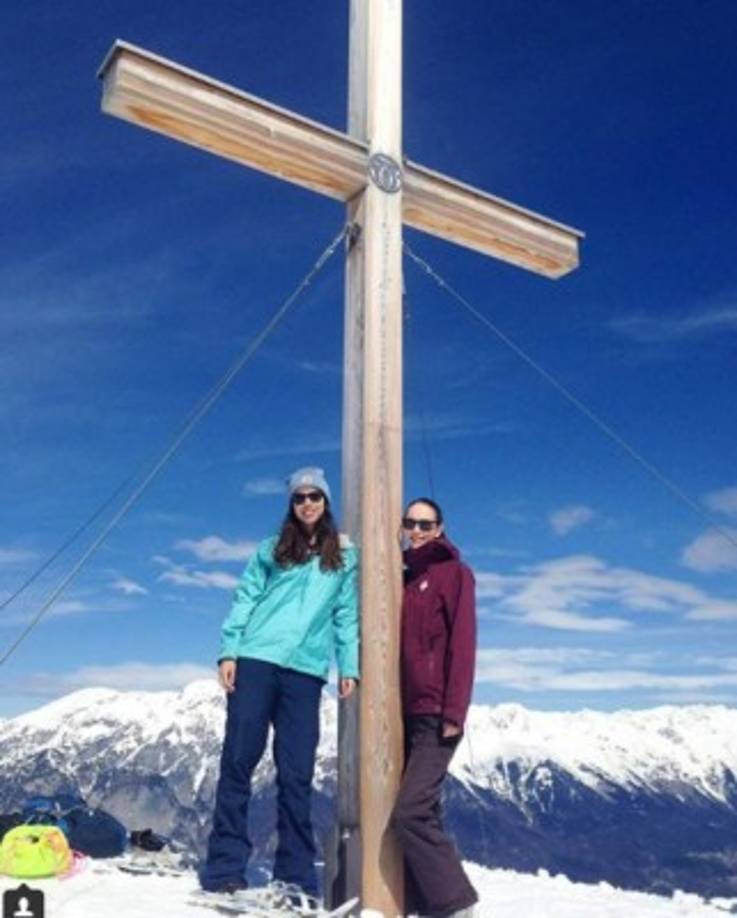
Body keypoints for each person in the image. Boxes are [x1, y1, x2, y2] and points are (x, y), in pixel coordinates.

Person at [200, 467, 359, 899]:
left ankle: (295, 877)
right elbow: (245, 597)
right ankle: (224, 869)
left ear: (326, 503)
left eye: (315, 496)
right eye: (299, 497)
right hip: (256, 659)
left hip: (306, 672)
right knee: (238, 760)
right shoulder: (271, 550)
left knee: (296, 773)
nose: (307, 503)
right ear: (291, 505)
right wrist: (229, 650)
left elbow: (345, 614)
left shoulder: (344, 556)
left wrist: (349, 665)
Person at [391, 497, 478, 918]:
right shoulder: (402, 578)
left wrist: (454, 713)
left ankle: (457, 905)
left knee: (410, 813)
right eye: (411, 523)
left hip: (436, 712)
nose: (418, 530)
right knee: (425, 810)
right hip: (402, 713)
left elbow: (463, 645)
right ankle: (427, 909)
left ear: (440, 528)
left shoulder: (454, 574)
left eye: (426, 524)